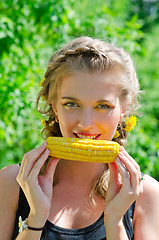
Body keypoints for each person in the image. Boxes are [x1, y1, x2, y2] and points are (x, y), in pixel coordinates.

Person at [0, 36, 159, 240]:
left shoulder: (147, 195)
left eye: (103, 106)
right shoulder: (10, 184)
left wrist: (114, 223)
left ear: (123, 110)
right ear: (55, 106)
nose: (85, 123)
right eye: (71, 104)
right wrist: (35, 219)